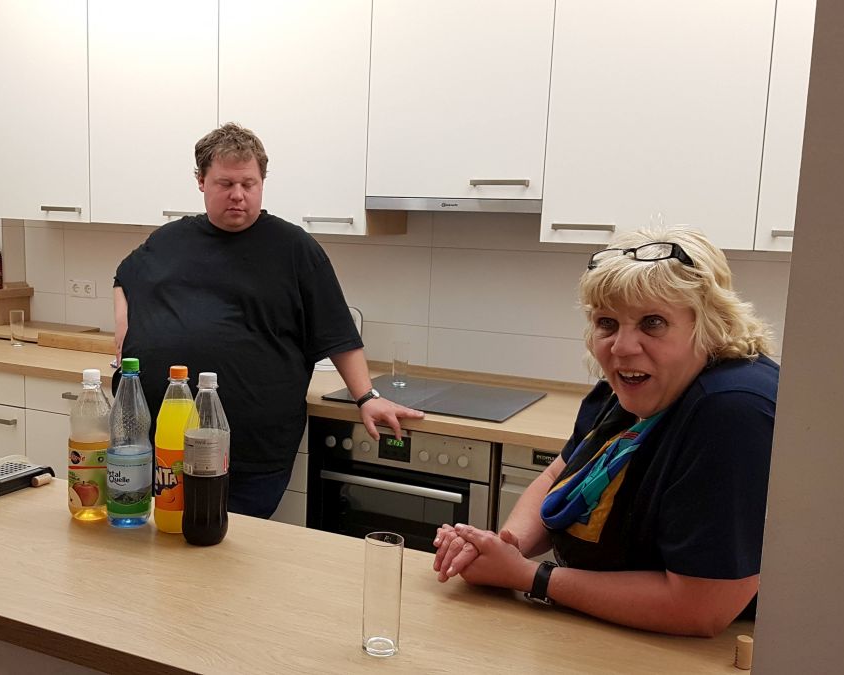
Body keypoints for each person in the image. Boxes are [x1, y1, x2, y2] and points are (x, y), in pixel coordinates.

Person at [433, 226, 778, 637]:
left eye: (653, 323)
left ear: (709, 323)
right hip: (604, 627)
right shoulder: (633, 386)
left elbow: (702, 608)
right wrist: (505, 547)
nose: (621, 347)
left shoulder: (733, 411)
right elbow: (559, 475)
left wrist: (529, 576)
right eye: (607, 323)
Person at [112, 122, 422, 518]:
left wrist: (366, 397)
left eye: (249, 184)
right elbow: (124, 276)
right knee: (161, 539)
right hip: (161, 442)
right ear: (201, 181)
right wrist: (124, 325)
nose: (238, 195)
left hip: (252, 449)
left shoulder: (294, 249)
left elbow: (337, 333)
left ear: (262, 182)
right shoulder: (169, 240)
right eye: (225, 183)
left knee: (223, 543)